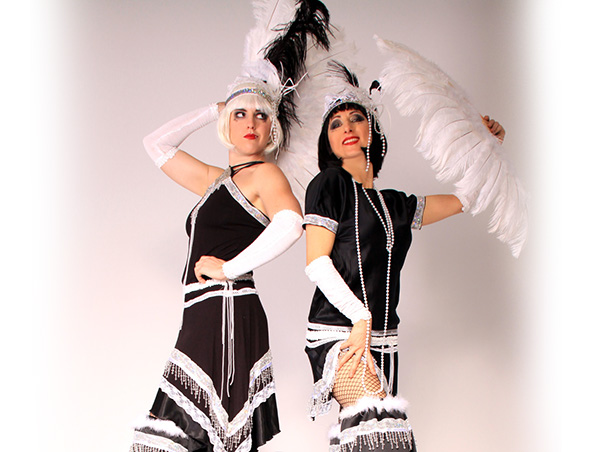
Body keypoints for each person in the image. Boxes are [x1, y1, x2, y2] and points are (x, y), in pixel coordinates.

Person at [129, 2, 331, 451]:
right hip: (203, 310)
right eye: (240, 114)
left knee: (192, 438)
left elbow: (291, 223)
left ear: (272, 130)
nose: (251, 123)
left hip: (226, 308)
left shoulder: (265, 175)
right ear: (227, 122)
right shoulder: (216, 180)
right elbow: (155, 144)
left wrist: (230, 267)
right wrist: (217, 106)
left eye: (261, 115)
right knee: (186, 438)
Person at [301, 62, 508, 451]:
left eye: (356, 118)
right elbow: (316, 262)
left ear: (372, 130)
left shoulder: (394, 204)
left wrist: (486, 144)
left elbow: (469, 198)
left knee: (368, 440)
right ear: (327, 141)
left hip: (384, 338)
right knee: (382, 434)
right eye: (336, 123)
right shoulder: (329, 185)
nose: (346, 127)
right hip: (340, 331)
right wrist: (359, 317)